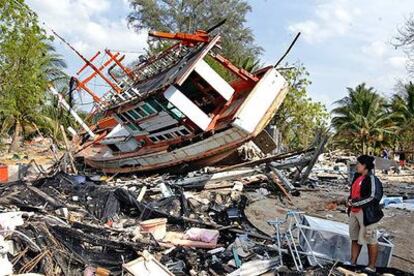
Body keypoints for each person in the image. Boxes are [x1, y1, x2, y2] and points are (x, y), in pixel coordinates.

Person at [348, 155, 384, 273]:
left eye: (359, 164)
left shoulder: (372, 179)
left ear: (365, 166)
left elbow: (374, 197)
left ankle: (371, 266)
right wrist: (350, 201)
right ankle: (352, 262)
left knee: (370, 239)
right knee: (354, 238)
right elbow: (354, 193)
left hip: (367, 214)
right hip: (354, 212)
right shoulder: (357, 177)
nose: (356, 166)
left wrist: (356, 203)